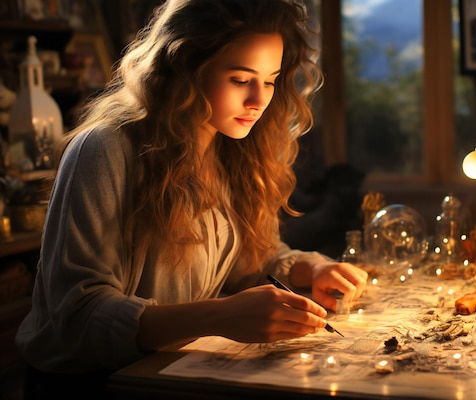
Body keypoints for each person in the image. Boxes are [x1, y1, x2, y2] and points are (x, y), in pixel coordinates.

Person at [15, 0, 368, 396]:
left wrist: (310, 269)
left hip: (172, 375)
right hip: (88, 384)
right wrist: (218, 315)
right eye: (240, 79)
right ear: (183, 69)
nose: (259, 100)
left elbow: (249, 264)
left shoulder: (234, 151)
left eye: (269, 80)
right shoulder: (105, 150)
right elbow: (77, 317)